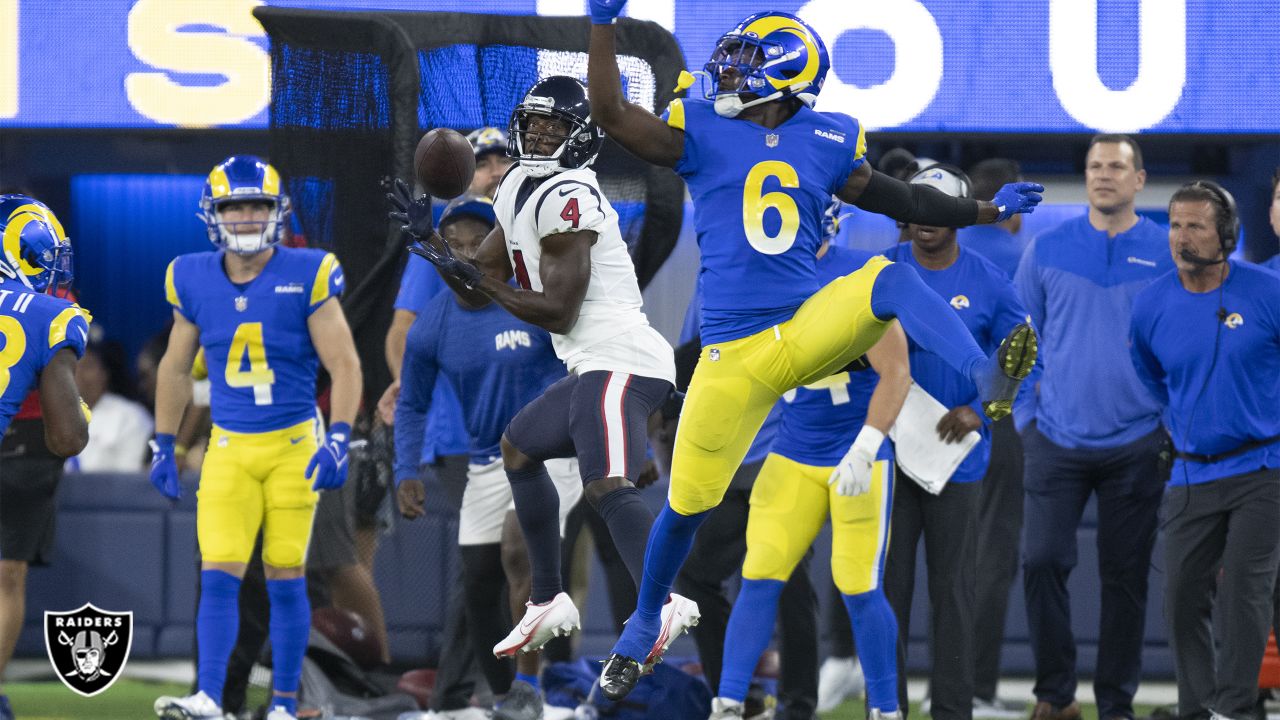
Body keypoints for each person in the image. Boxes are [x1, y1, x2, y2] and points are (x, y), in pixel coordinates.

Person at [585, 3, 1043, 698]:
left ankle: (986, 377)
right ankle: (645, 621)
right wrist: (600, 28)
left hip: (803, 333)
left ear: (786, 77)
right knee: (685, 506)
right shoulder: (704, 128)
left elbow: (905, 202)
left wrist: (985, 211)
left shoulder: (827, 139)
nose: (725, 70)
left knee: (889, 277)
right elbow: (611, 112)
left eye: (745, 60)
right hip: (733, 352)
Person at [392, 75, 696, 671]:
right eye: (532, 123)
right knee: (519, 450)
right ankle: (546, 597)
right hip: (591, 363)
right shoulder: (514, 190)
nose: (539, 132)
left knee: (606, 484)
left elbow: (558, 309)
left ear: (580, 137)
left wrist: (482, 278)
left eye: (554, 124)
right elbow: (476, 290)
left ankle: (662, 602)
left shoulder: (570, 193)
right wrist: (432, 242)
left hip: (622, 358)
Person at [150, 155, 362, 720]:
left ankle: (286, 703)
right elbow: (175, 367)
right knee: (218, 573)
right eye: (233, 205)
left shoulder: (309, 270)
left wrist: (338, 436)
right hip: (229, 445)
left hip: (292, 443)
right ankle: (210, 698)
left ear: (276, 211)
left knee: (285, 576)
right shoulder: (191, 275)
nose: (245, 216)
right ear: (213, 214)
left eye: (257, 205)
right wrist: (163, 441)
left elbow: (344, 364)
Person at [710, 202, 911, 720]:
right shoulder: (764, 280)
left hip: (856, 452)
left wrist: (867, 447)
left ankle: (885, 709)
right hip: (793, 450)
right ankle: (729, 702)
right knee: (759, 572)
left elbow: (896, 373)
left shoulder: (860, 277)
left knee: (857, 583)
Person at [393, 193, 583, 720]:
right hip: (484, 457)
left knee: (520, 548)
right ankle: (505, 699)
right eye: (454, 242)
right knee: (478, 580)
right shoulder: (432, 324)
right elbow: (410, 403)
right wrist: (405, 468)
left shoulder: (535, 300)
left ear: (503, 245)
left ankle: (528, 682)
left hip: (551, 451)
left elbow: (592, 364)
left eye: (479, 240)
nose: (468, 251)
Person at [1014, 134, 1172, 720]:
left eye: (1116, 167)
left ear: (1138, 179)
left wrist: (1165, 425)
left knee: (1125, 579)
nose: (1103, 176)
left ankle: (1115, 705)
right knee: (1041, 563)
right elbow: (1018, 342)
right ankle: (1056, 696)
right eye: (1094, 167)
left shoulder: (1163, 250)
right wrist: (1028, 420)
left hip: (1138, 442)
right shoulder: (1047, 249)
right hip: (1054, 438)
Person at [880, 165, 1031, 720]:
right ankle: (885, 707)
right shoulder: (883, 271)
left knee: (954, 595)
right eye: (918, 208)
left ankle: (952, 711)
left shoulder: (989, 279)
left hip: (958, 459)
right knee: (885, 594)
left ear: (960, 216)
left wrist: (983, 412)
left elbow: (1021, 356)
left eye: (939, 210)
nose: (926, 221)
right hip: (890, 455)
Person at [1130, 181, 1280, 720]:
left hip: (1265, 468)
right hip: (1191, 475)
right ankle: (1201, 708)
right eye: (1174, 225)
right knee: (1181, 600)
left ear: (1228, 235)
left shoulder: (1267, 293)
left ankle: (1237, 710)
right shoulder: (1150, 305)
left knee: (1245, 592)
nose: (1181, 237)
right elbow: (1150, 376)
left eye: (1195, 226)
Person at [0, 195, 91, 720]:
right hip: (34, 439)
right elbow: (69, 433)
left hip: (28, 443)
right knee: (9, 575)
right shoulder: (56, 309)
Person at [70, 340, 153, 472]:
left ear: (105, 373)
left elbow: (132, 480)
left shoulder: (130, 417)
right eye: (72, 367)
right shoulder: (54, 418)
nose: (78, 375)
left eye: (87, 366)